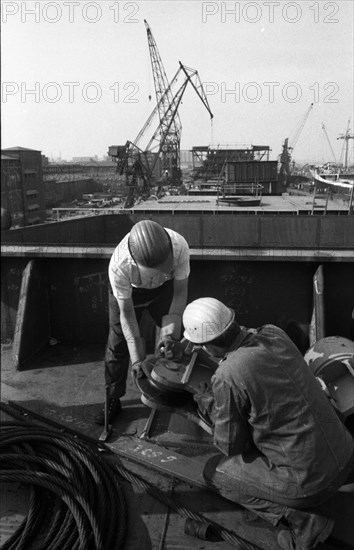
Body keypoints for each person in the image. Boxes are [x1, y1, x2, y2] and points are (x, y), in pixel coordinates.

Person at [182, 297, 354, 550]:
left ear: (207, 346)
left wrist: (209, 404)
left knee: (216, 473)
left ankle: (304, 521)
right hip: (346, 453)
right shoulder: (274, 333)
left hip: (313, 483)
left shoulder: (228, 375)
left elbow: (230, 445)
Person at [95, 220, 190, 425]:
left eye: (167, 268)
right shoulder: (120, 266)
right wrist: (137, 360)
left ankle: (176, 387)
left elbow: (180, 294)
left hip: (163, 291)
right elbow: (127, 315)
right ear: (135, 264)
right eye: (155, 272)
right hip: (129, 294)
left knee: (179, 339)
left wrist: (170, 336)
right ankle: (112, 398)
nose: (163, 273)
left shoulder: (179, 246)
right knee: (118, 342)